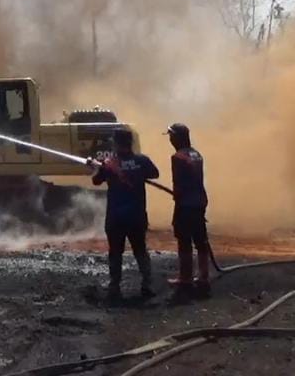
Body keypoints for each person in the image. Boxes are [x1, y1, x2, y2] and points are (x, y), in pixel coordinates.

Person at [89, 129, 160, 301]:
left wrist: (95, 166)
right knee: (140, 250)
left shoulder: (109, 164)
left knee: (115, 252)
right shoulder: (142, 161)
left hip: (116, 217)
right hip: (137, 215)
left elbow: (96, 181)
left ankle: (114, 287)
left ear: (116, 143)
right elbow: (155, 173)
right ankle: (147, 285)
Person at [165, 123, 211, 298]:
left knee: (184, 240)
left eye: (171, 136)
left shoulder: (177, 157)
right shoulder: (197, 155)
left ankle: (185, 278)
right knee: (201, 240)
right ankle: (204, 277)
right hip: (200, 201)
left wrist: (177, 195)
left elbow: (179, 184)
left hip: (185, 204)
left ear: (177, 137)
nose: (170, 139)